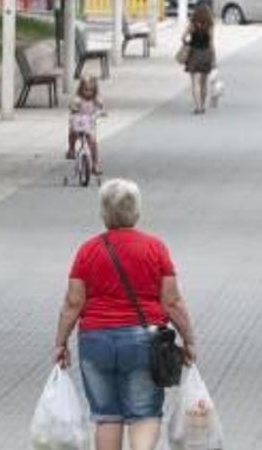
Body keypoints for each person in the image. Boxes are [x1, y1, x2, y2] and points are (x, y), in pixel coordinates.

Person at [53, 179, 199, 450]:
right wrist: (188, 339)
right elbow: (172, 301)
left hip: (95, 341)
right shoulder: (155, 248)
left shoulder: (88, 251)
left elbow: (73, 302)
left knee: (107, 416)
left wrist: (60, 343)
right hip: (143, 341)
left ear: (104, 213)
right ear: (137, 212)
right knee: (143, 413)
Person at [67, 77, 105, 174]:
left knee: (93, 142)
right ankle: (71, 149)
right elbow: (72, 104)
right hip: (78, 123)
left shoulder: (95, 100)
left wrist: (101, 111)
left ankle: (95, 163)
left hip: (89, 125)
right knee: (72, 133)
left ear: (95, 91)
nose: (88, 92)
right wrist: (73, 107)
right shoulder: (78, 99)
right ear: (81, 89)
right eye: (86, 90)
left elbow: (100, 106)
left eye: (91, 90)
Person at [183, 5, 216, 114]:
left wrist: (187, 42)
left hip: (194, 54)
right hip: (206, 53)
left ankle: (198, 108)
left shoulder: (192, 24)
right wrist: (214, 58)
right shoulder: (210, 25)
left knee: (195, 82)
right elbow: (211, 43)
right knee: (204, 82)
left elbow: (183, 37)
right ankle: (203, 105)